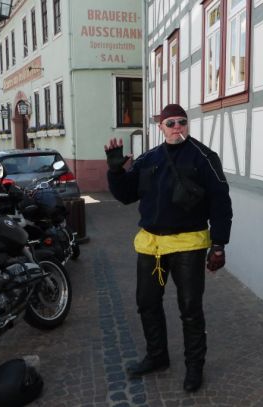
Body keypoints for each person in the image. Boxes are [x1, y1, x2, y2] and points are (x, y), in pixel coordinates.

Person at [104, 104, 232, 392]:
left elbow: (221, 202)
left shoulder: (204, 157)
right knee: (147, 304)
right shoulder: (148, 158)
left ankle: (194, 367)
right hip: (151, 246)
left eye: (182, 122)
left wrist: (219, 244)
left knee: (190, 308)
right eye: (170, 123)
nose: (177, 127)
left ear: (187, 125)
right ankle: (157, 356)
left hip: (188, 244)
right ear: (160, 127)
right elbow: (125, 195)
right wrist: (115, 171)